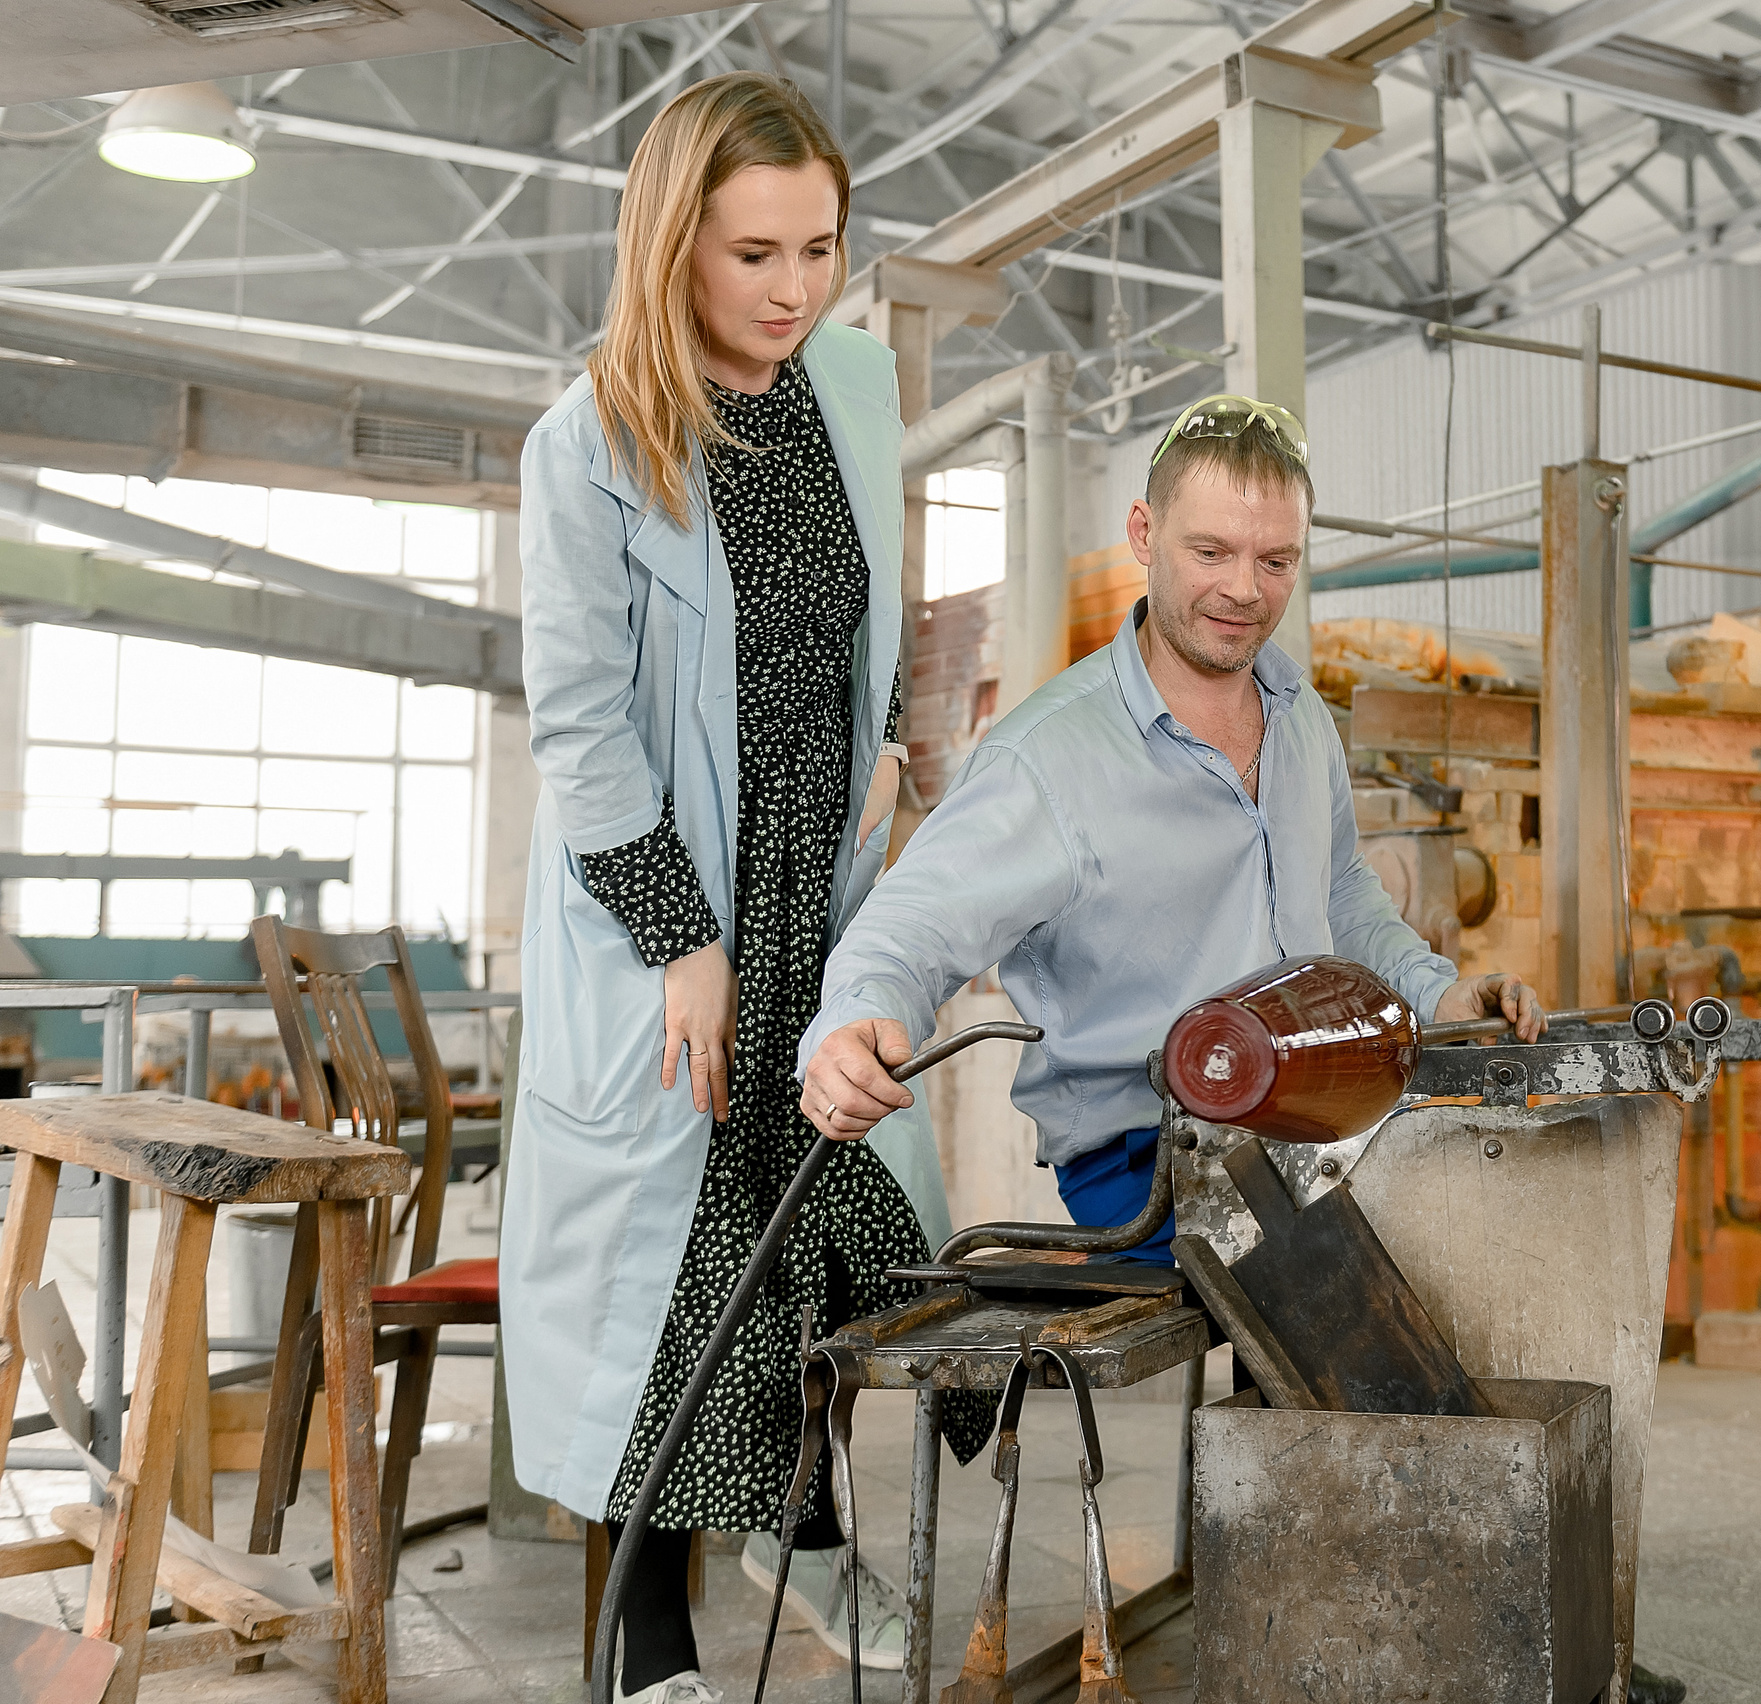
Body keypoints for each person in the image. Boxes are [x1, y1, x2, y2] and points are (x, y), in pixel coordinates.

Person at [499, 73, 987, 1704]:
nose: (793, 290)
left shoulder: (847, 383)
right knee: (684, 1263)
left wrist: (903, 770)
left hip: (820, 881)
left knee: (847, 1212)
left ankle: (799, 1506)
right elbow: (578, 726)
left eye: (821, 249)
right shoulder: (591, 441)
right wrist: (682, 942)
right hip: (670, 908)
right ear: (672, 244)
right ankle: (645, 1647)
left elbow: (881, 618)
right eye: (754, 253)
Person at [792, 393, 1548, 1257]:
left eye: (1275, 561)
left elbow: (1341, 893)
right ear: (1145, 535)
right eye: (1211, 552)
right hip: (1147, 1154)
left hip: (1302, 1111)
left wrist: (1439, 993)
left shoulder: (1298, 717)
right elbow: (907, 928)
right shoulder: (1050, 759)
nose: (1243, 590)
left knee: (1500, 1201)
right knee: (1372, 1277)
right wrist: (854, 1022)